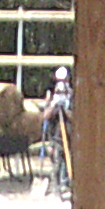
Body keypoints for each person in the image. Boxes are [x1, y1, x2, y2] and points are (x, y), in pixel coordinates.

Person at [40, 64, 74, 196]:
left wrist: (65, 108)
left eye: (64, 80)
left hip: (70, 136)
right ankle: (55, 187)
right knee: (56, 162)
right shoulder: (52, 97)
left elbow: (75, 118)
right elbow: (45, 116)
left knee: (68, 161)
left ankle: (66, 185)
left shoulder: (73, 97)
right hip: (55, 137)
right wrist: (54, 104)